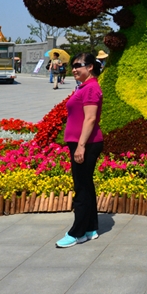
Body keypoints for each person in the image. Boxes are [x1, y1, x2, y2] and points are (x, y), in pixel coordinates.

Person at [57, 52, 104, 248]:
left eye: (78, 65)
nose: (74, 69)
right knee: (86, 185)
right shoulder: (85, 87)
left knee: (81, 188)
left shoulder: (91, 88)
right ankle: (90, 228)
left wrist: (81, 146)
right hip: (80, 142)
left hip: (85, 143)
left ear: (90, 67)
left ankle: (77, 232)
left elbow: (91, 118)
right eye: (73, 66)